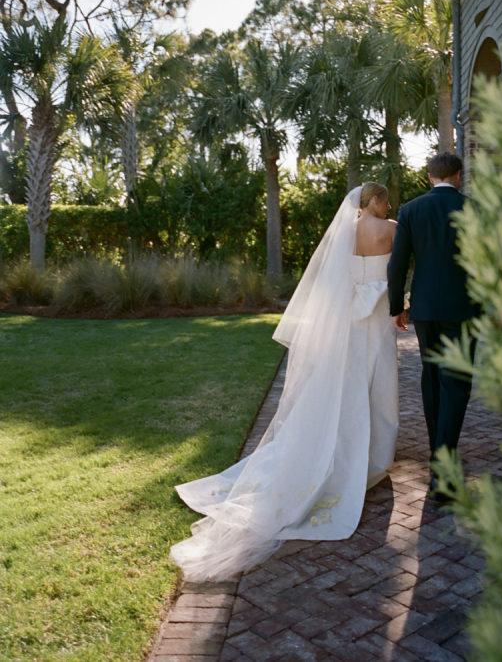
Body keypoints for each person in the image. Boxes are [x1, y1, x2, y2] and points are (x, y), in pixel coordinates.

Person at [170, 182, 399, 582]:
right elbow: (398, 268)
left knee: (344, 381)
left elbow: (334, 281)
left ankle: (339, 446)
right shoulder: (392, 229)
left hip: (349, 318)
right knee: (376, 377)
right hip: (378, 314)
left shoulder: (343, 232)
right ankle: (373, 456)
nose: (389, 205)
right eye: (385, 200)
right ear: (375, 201)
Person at [387, 153, 476, 491]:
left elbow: (397, 265)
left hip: (424, 308)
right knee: (457, 383)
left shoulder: (411, 210)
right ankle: (443, 465)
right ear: (458, 175)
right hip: (463, 309)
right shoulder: (474, 210)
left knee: (433, 380)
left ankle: (440, 458)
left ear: (429, 177)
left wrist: (397, 307)